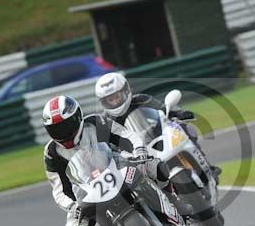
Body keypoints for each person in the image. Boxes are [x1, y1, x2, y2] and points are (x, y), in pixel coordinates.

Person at [42, 94, 182, 226]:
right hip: (86, 193)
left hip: (117, 167)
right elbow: (58, 189)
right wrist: (72, 205)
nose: (62, 133)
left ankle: (173, 200)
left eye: (66, 126)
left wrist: (139, 152)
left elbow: (126, 135)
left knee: (155, 166)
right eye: (56, 130)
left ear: (77, 118)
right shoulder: (51, 152)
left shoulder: (95, 123)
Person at [93, 72, 221, 176]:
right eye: (110, 99)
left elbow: (162, 108)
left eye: (117, 97)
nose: (115, 102)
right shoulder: (106, 120)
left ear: (125, 91)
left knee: (185, 128)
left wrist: (178, 112)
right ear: (104, 102)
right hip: (135, 154)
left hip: (156, 135)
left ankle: (207, 167)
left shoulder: (140, 100)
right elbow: (104, 144)